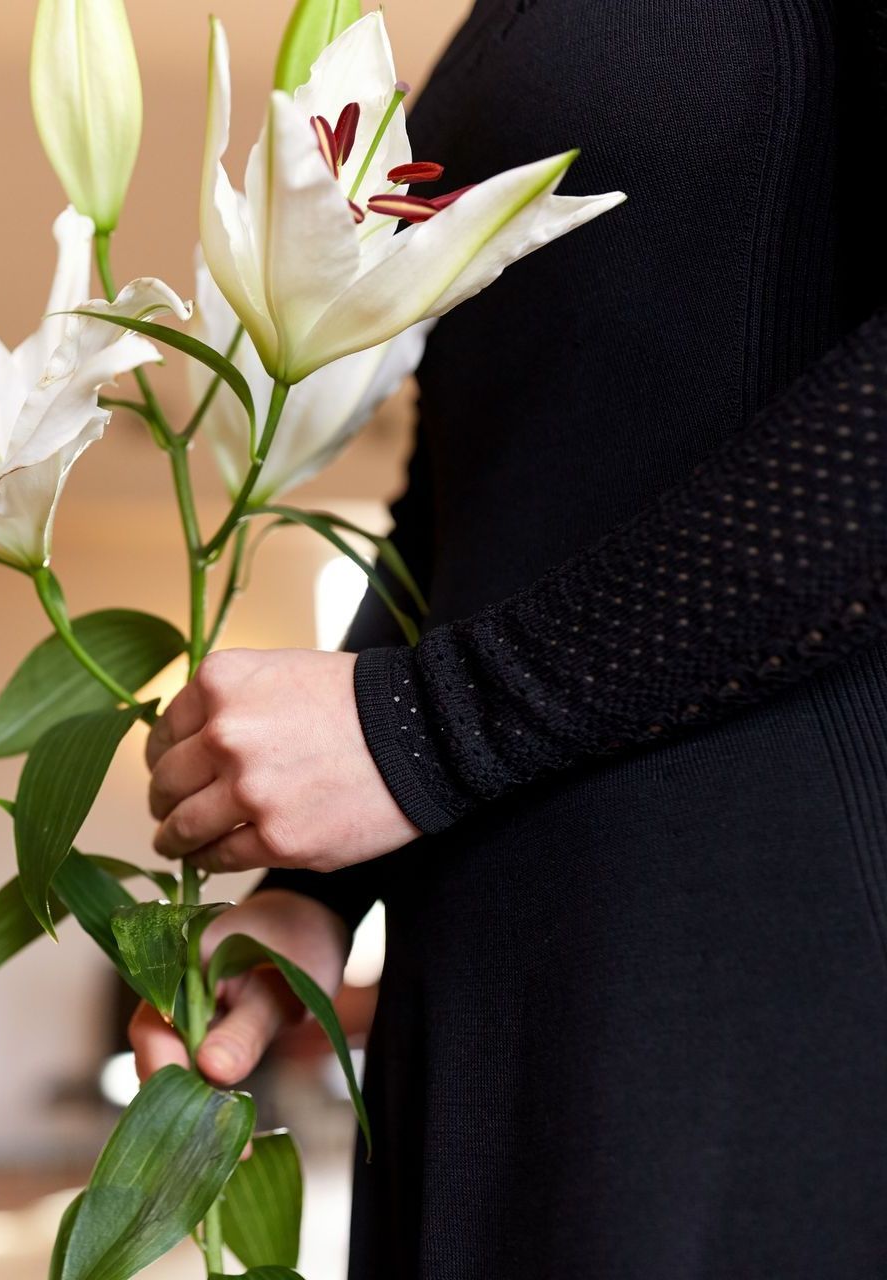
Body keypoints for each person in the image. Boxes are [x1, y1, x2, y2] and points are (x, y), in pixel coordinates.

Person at [132, 2, 887, 1275]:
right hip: (491, 958)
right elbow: (464, 493)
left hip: (751, 947)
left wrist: (433, 726)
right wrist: (315, 892)